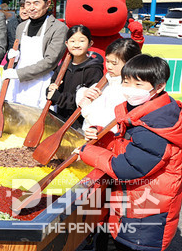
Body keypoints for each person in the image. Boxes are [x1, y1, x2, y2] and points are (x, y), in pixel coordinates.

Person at [76, 55, 182, 251]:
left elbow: (126, 168)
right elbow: (129, 145)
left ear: (159, 87)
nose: (130, 88)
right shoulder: (145, 110)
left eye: (138, 84)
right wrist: (102, 136)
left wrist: (87, 151)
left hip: (146, 216)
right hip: (133, 203)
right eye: (126, 82)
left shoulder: (156, 126)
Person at [4, 0, 68, 109]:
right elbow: (19, 52)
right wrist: (14, 57)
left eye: (36, 3)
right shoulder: (21, 27)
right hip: (19, 84)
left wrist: (18, 73)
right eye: (28, 3)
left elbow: (50, 62)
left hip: (41, 83)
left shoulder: (59, 28)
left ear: (47, 4)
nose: (31, 8)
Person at [77, 38, 142, 134]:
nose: (109, 67)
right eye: (107, 61)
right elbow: (82, 99)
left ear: (129, 64)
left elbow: (108, 124)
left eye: (114, 63)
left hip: (102, 138)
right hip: (88, 135)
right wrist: (84, 92)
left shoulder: (127, 91)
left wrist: (86, 109)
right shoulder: (107, 81)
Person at [45, 25, 103, 123]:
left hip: (79, 122)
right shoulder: (64, 65)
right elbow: (53, 86)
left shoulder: (93, 69)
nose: (76, 45)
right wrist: (50, 90)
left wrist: (58, 98)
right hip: (60, 117)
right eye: (72, 41)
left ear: (90, 43)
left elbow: (90, 100)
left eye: (81, 41)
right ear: (66, 44)